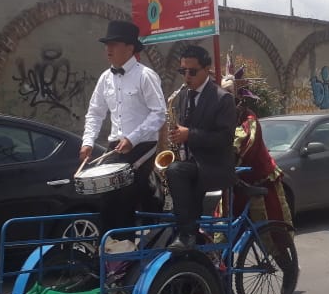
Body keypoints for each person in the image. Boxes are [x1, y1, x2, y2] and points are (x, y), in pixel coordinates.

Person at [81, 20, 167, 243]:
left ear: (130, 48)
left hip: (142, 147)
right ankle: (114, 250)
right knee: (107, 201)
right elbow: (95, 113)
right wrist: (88, 141)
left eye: (114, 44)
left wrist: (133, 137)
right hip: (116, 147)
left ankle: (127, 251)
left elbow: (159, 113)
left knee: (124, 197)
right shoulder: (104, 78)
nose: (108, 49)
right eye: (107, 44)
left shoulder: (145, 75)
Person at [166, 45, 237, 250]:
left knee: (176, 172)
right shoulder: (181, 98)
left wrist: (189, 135)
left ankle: (187, 234)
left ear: (207, 70)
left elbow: (225, 139)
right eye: (183, 72)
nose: (186, 77)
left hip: (214, 166)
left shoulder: (222, 98)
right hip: (192, 165)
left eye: (192, 72)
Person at [214, 53, 294, 231]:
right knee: (221, 229)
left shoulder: (247, 116)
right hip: (233, 180)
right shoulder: (218, 114)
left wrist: (227, 154)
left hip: (259, 178)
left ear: (237, 94)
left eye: (228, 92)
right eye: (221, 92)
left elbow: (246, 140)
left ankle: (281, 258)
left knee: (269, 230)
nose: (223, 96)